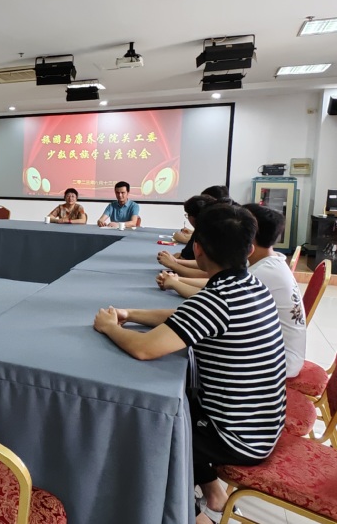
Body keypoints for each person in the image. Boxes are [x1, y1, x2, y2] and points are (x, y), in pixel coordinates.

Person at [94, 204, 286, 524]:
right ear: (250, 249)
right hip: (263, 424)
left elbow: (144, 349)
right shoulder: (252, 286)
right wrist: (130, 314)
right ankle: (214, 494)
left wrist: (110, 327)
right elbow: (184, 315)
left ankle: (194, 516)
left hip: (238, 439)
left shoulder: (217, 300)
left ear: (197, 248)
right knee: (182, 400)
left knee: (154, 428)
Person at [158, 203, 306, 378]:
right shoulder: (271, 261)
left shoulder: (262, 273)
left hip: (278, 363)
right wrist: (177, 278)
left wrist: (176, 282)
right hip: (278, 352)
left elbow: (213, 296)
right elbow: (213, 283)